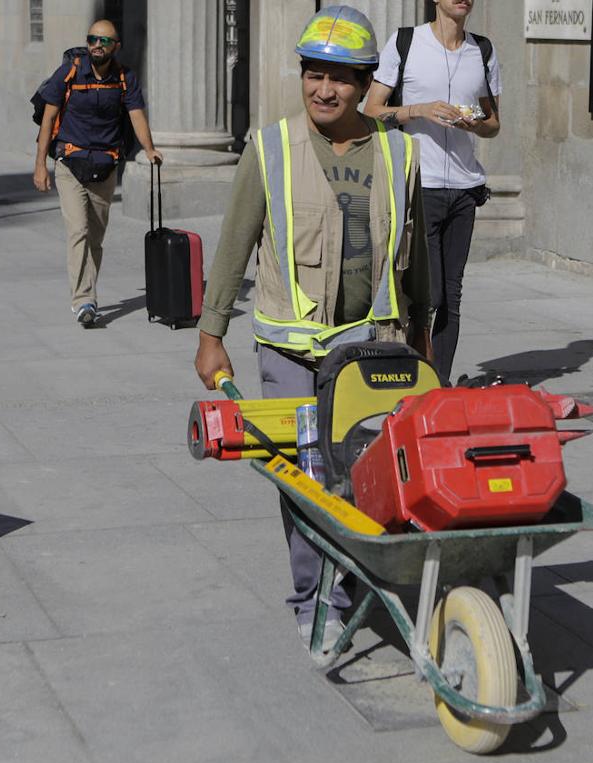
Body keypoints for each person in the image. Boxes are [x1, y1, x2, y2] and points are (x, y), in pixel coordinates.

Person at [192, 6, 432, 663]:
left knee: (364, 473)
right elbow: (234, 245)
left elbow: (415, 258)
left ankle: (358, 580)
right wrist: (212, 333)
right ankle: (314, 599)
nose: (324, 90)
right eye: (313, 74)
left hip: (374, 347)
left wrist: (424, 332)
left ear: (365, 83)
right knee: (306, 477)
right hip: (290, 350)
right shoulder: (269, 149)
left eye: (340, 78)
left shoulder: (398, 150)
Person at [362, 0, 501, 383]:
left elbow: (493, 123)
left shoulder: (483, 50)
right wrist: (418, 110)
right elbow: (371, 109)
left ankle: (437, 386)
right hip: (419, 185)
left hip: (465, 188)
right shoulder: (406, 43)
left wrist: (473, 123)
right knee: (429, 295)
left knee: (451, 297)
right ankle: (410, 376)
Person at [33, 19, 162, 327]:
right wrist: (40, 164)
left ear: (115, 46)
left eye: (104, 41)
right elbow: (49, 119)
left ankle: (87, 292)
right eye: (92, 39)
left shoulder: (124, 78)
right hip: (69, 163)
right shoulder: (70, 72)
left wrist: (149, 149)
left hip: (105, 167)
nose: (96, 45)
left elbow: (136, 116)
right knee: (78, 230)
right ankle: (83, 300)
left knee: (96, 237)